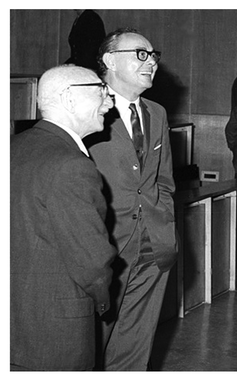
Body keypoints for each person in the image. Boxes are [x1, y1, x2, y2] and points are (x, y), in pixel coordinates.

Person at [10, 65, 116, 371]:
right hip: (56, 331)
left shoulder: (14, 147)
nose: (109, 102)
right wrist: (103, 301)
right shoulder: (72, 165)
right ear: (69, 98)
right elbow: (93, 261)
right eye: (101, 91)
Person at [85, 27, 178, 370]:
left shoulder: (157, 112)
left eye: (153, 55)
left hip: (153, 248)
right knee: (92, 345)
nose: (151, 61)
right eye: (141, 54)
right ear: (110, 60)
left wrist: (166, 229)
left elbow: (163, 180)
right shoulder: (86, 107)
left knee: (136, 347)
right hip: (104, 248)